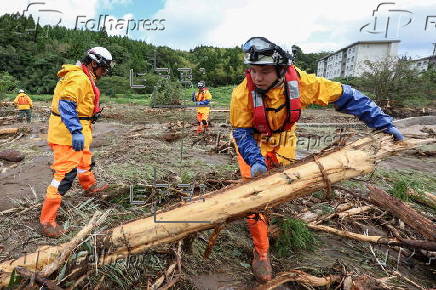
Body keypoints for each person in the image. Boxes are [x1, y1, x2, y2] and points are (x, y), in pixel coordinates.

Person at [230, 37, 404, 282]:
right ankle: (261, 251)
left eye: (265, 71)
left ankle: (272, 217)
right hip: (252, 142)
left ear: (281, 70)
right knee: (255, 197)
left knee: (280, 187)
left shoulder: (301, 84)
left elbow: (346, 96)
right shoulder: (242, 93)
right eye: (253, 70)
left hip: (284, 141)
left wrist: (382, 122)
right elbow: (241, 132)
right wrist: (254, 159)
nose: (257, 77)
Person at [39, 47, 113, 238]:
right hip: (68, 135)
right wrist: (76, 130)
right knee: (64, 175)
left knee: (85, 162)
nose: (104, 73)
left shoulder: (83, 76)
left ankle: (90, 187)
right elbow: (66, 103)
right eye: (103, 69)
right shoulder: (79, 78)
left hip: (79, 131)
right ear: (93, 63)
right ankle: (47, 221)